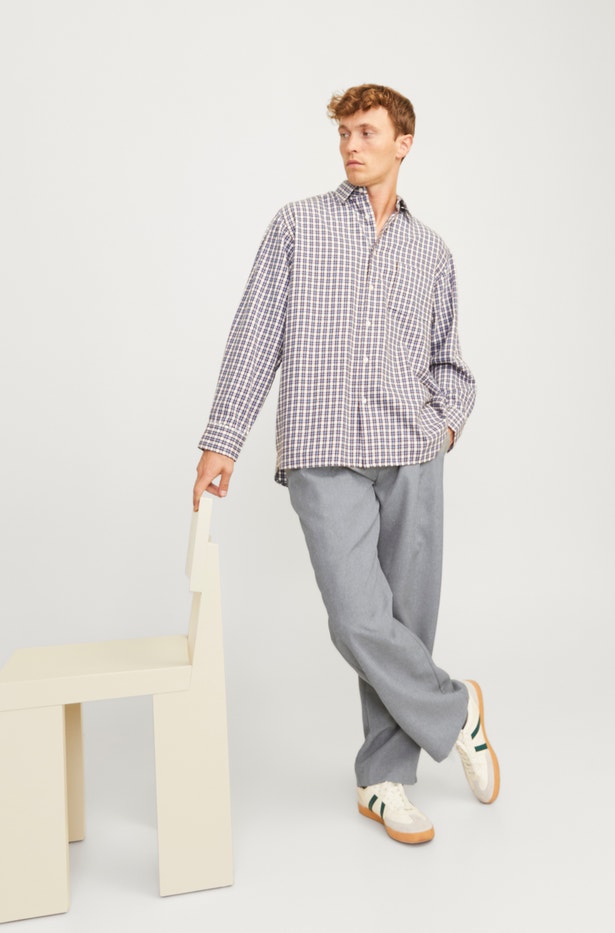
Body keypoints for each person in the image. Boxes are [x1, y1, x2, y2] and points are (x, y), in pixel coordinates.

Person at [193, 84, 499, 844]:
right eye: (344, 134)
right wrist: (223, 438)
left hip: (412, 449)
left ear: (403, 142)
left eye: (367, 132)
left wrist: (444, 429)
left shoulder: (432, 252)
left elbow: (450, 362)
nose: (351, 146)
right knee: (359, 618)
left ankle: (383, 781)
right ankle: (457, 709)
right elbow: (255, 332)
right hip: (322, 448)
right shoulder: (297, 226)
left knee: (408, 620)